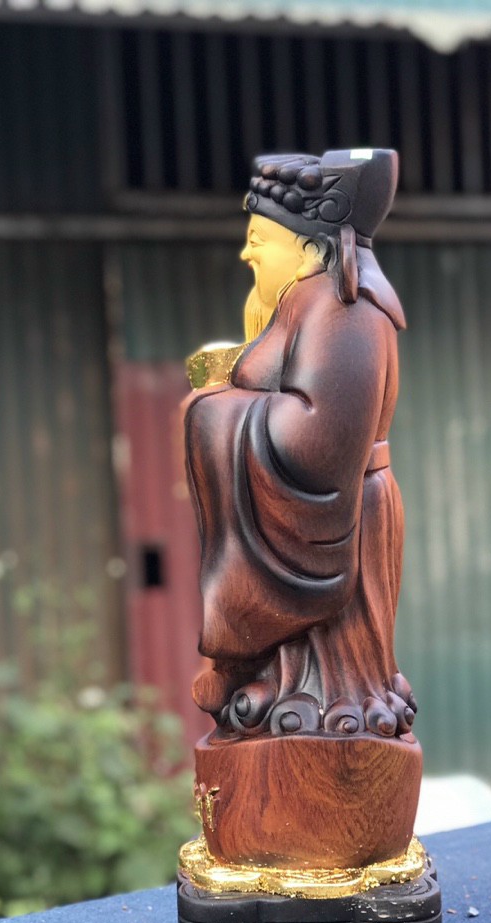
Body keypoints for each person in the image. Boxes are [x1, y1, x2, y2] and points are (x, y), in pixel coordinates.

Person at [184, 148, 417, 741]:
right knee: (284, 694)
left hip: (338, 520)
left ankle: (324, 699)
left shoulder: (347, 311)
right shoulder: (306, 303)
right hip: (328, 513)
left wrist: (212, 408)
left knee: (328, 704)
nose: (248, 253)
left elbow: (315, 443)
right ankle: (281, 686)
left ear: (310, 249)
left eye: (259, 240)